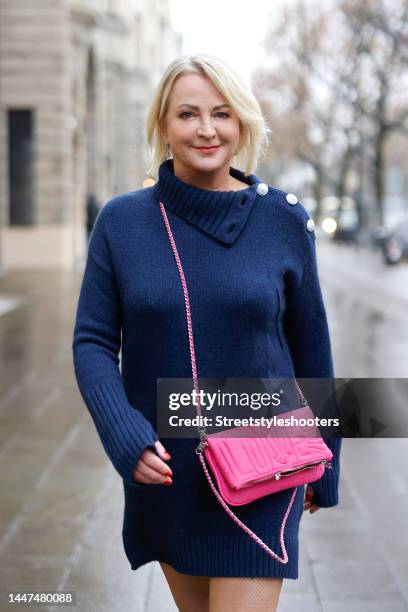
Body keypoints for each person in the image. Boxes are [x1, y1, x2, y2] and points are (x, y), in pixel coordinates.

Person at [72, 54, 342, 612]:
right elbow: (93, 342)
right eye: (187, 114)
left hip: (267, 463)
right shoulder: (122, 224)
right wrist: (125, 434)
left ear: (241, 123)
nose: (206, 128)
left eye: (221, 113)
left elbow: (311, 347)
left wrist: (328, 459)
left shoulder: (284, 221)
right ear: (163, 127)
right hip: (167, 468)